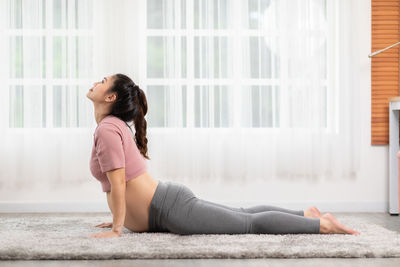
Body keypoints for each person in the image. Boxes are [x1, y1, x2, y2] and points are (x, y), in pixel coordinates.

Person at [86, 73, 361, 238]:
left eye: (103, 81)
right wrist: (119, 216)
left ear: (110, 98)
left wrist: (118, 228)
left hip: (170, 210)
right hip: (165, 205)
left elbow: (120, 183)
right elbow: (122, 185)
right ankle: (306, 214)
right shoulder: (112, 127)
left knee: (248, 225)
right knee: (242, 215)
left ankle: (321, 226)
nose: (96, 83)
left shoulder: (109, 129)